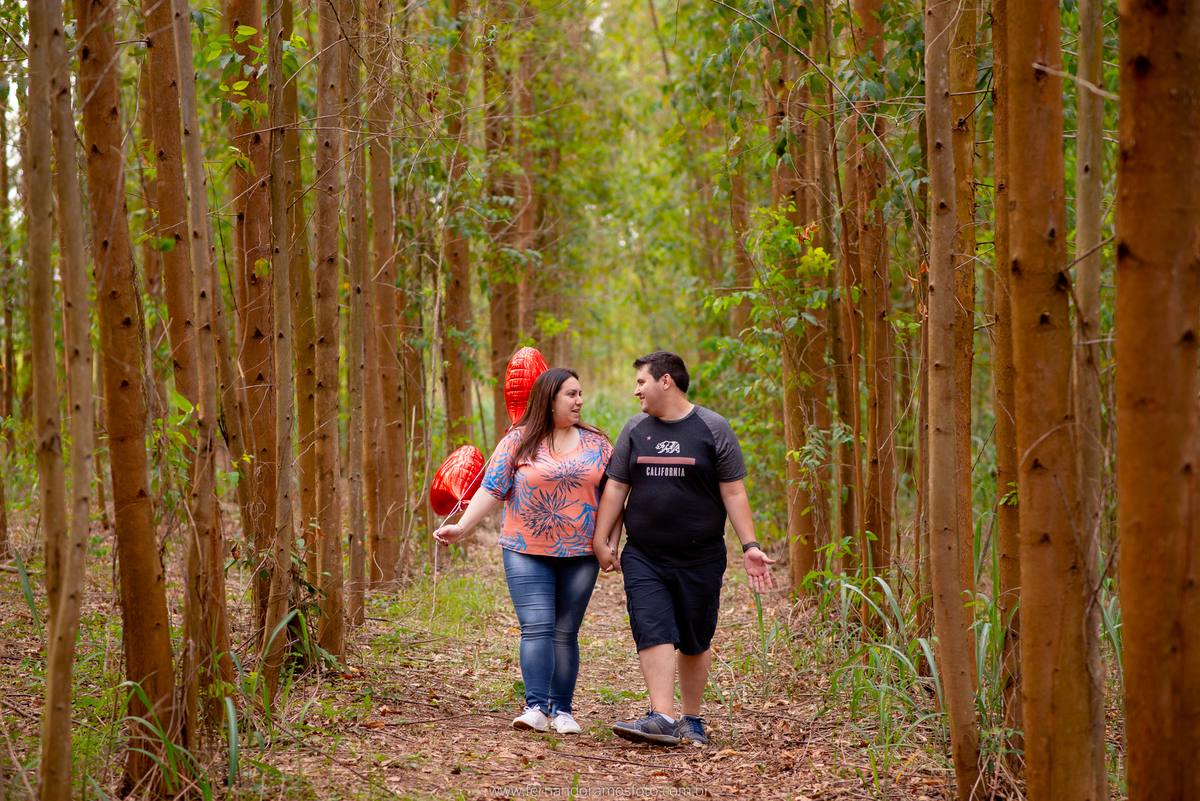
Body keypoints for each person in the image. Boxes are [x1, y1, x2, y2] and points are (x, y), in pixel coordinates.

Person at [593, 350, 774, 747]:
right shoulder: (635, 430)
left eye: (641, 381)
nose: (635, 389)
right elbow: (617, 487)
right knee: (652, 626)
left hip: (702, 556)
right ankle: (661, 715)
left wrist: (750, 546)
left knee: (695, 638)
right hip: (644, 554)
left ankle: (691, 719)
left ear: (666, 381)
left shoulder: (713, 428)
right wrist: (601, 538)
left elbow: (734, 490)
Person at [434, 367, 613, 735]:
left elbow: (615, 496)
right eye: (571, 394)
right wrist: (462, 527)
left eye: (580, 394)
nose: (580, 401)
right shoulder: (518, 441)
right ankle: (535, 707)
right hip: (524, 550)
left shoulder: (598, 443)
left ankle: (562, 710)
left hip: (581, 554)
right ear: (548, 400)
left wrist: (611, 540)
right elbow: (491, 488)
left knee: (565, 632)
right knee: (536, 627)